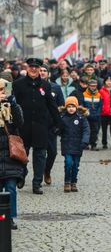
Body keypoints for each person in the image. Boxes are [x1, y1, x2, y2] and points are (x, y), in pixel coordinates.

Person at [13, 57, 61, 195]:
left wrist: (58, 123)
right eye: (31, 67)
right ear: (27, 68)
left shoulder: (46, 85)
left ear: (40, 69)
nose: (33, 69)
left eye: (36, 67)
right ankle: (21, 175)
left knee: (40, 156)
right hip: (23, 126)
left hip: (41, 126)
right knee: (22, 154)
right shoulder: (17, 84)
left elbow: (52, 105)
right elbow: (11, 104)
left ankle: (37, 183)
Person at [0, 79, 26, 229]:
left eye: (4, 90)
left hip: (11, 154)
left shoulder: (13, 106)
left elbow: (19, 123)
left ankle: (9, 217)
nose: (2, 94)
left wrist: (12, 102)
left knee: (11, 188)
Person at [59, 96, 90, 192]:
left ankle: (73, 182)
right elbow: (57, 128)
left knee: (75, 165)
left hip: (78, 145)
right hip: (67, 144)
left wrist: (85, 141)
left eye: (73, 106)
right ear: (66, 107)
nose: (71, 109)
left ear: (76, 107)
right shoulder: (62, 117)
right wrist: (56, 130)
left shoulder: (81, 118)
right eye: (69, 107)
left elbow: (86, 130)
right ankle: (67, 182)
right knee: (68, 163)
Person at [40, 65, 64, 185]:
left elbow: (61, 106)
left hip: (51, 126)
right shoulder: (33, 87)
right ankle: (37, 177)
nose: (42, 72)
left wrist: (58, 124)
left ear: (48, 73)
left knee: (53, 152)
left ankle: (47, 170)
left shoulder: (55, 87)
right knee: (39, 152)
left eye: (44, 71)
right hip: (38, 125)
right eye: (40, 70)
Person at [82, 79, 102, 150]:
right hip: (87, 116)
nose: (93, 87)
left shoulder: (99, 95)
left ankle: (93, 144)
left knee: (95, 131)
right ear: (88, 86)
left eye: (95, 86)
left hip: (95, 116)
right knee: (87, 130)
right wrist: (85, 113)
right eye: (92, 86)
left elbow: (100, 106)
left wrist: (98, 114)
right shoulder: (84, 94)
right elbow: (83, 105)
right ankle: (86, 144)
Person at [99, 77, 111, 149]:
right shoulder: (101, 91)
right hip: (104, 112)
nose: (109, 82)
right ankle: (104, 143)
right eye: (107, 81)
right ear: (104, 82)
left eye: (110, 81)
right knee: (104, 129)